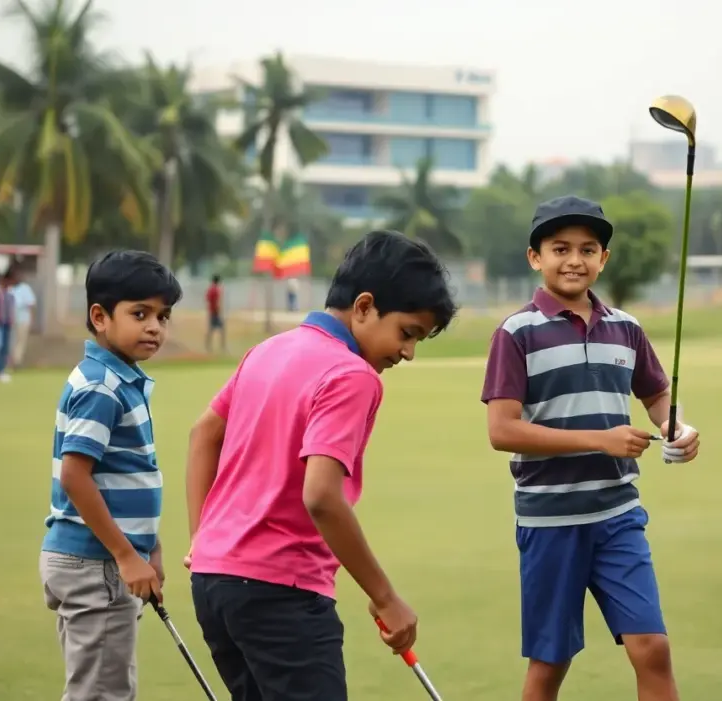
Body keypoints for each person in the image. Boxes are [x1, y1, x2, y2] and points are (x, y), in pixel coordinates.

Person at [185, 230, 457, 701]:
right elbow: (322, 496)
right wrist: (386, 597)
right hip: (280, 593)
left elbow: (203, 433)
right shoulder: (353, 375)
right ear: (365, 306)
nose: (408, 352)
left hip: (214, 582)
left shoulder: (270, 349)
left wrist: (202, 538)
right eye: (407, 333)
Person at [480, 195, 701, 701]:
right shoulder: (516, 333)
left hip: (618, 515)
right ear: (535, 256)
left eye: (588, 249)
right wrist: (600, 440)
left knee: (652, 647)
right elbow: (502, 430)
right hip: (550, 522)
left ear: (603, 259)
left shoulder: (626, 327)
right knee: (549, 664)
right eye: (560, 248)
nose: (574, 260)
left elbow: (657, 394)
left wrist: (677, 427)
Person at [39, 250, 182, 701]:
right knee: (101, 694)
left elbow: (130, 476)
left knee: (102, 687)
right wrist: (125, 557)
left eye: (163, 315)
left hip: (104, 561)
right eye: (140, 313)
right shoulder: (102, 386)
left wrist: (149, 549)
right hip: (96, 563)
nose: (155, 326)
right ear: (99, 316)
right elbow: (75, 476)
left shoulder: (122, 380)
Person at [9, 267, 37, 369]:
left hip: (23, 319)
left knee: (20, 341)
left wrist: (32, 319)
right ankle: (11, 360)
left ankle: (16, 361)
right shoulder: (9, 289)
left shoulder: (25, 288)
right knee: (12, 340)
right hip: (11, 320)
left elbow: (31, 305)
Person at [205, 274, 226, 354]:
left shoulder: (210, 289)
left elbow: (207, 298)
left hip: (212, 312)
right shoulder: (216, 289)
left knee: (211, 330)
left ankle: (208, 346)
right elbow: (217, 302)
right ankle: (222, 346)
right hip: (215, 313)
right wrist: (219, 311)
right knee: (221, 329)